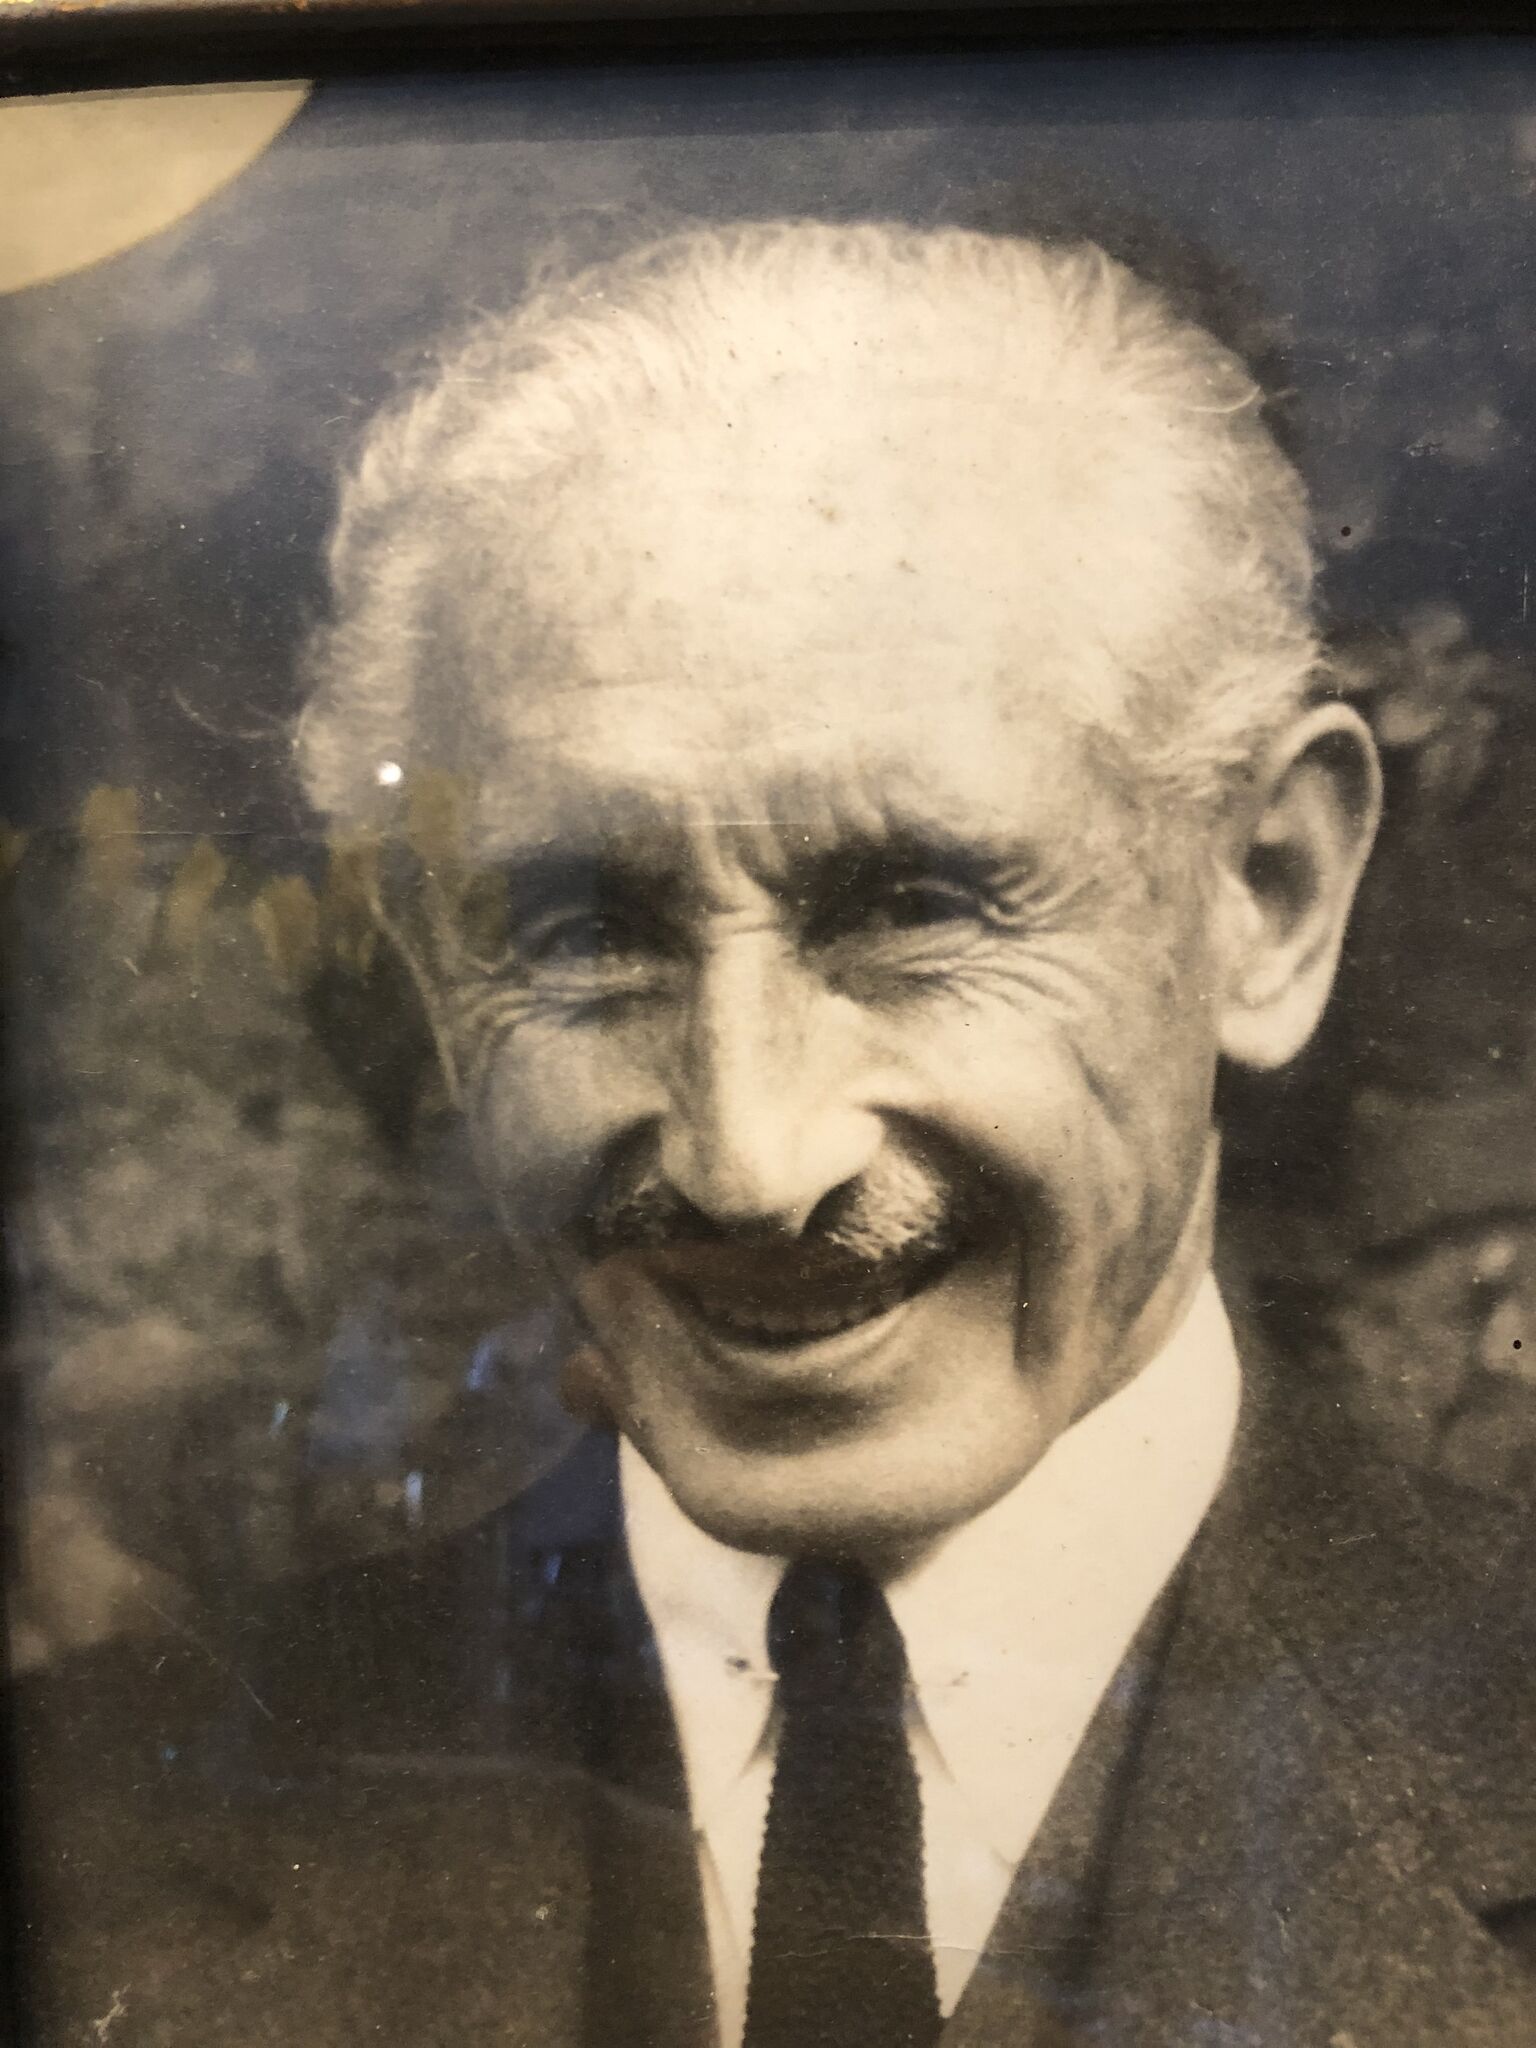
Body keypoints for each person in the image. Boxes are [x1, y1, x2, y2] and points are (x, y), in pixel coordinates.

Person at [21, 220, 1536, 2046]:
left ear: (1268, 898)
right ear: (435, 976)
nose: (747, 1161)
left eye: (912, 903)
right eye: (584, 931)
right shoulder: (68, 1851)